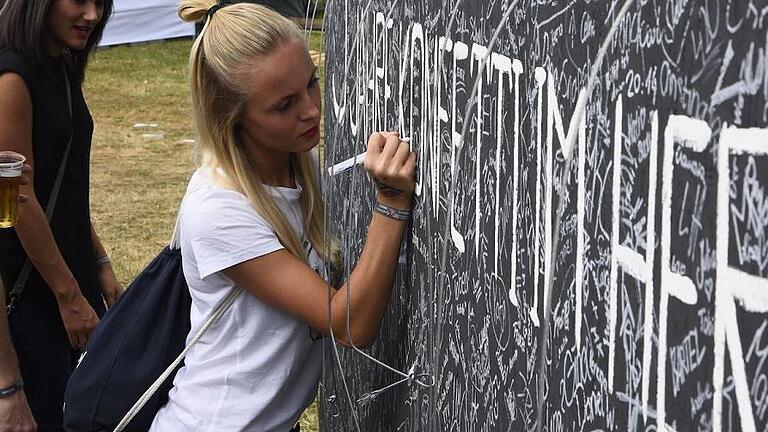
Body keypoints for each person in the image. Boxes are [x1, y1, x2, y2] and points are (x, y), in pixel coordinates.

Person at [150, 1, 415, 431]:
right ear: (233, 118)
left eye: (312, 83)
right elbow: (347, 323)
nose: (311, 109)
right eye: (284, 104)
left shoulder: (299, 163)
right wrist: (391, 202)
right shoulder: (219, 209)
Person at [0, 1, 122, 430]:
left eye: (101, 3)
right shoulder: (13, 77)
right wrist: (67, 296)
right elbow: (17, 200)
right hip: (32, 292)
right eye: (78, 1)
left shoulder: (60, 63)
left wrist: (100, 263)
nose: (92, 14)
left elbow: (63, 184)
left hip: (63, 281)